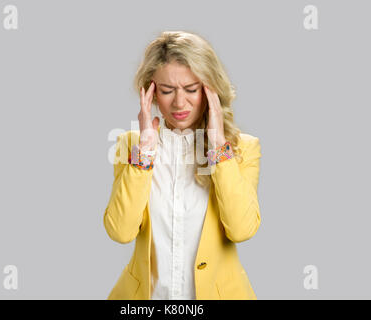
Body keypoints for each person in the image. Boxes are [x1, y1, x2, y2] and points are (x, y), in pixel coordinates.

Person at [104, 31, 262, 300]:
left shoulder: (242, 149)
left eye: (191, 89)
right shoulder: (129, 145)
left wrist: (218, 147)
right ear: (151, 93)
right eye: (167, 91)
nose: (179, 103)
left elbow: (242, 229)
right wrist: (145, 152)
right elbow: (120, 231)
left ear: (210, 90)